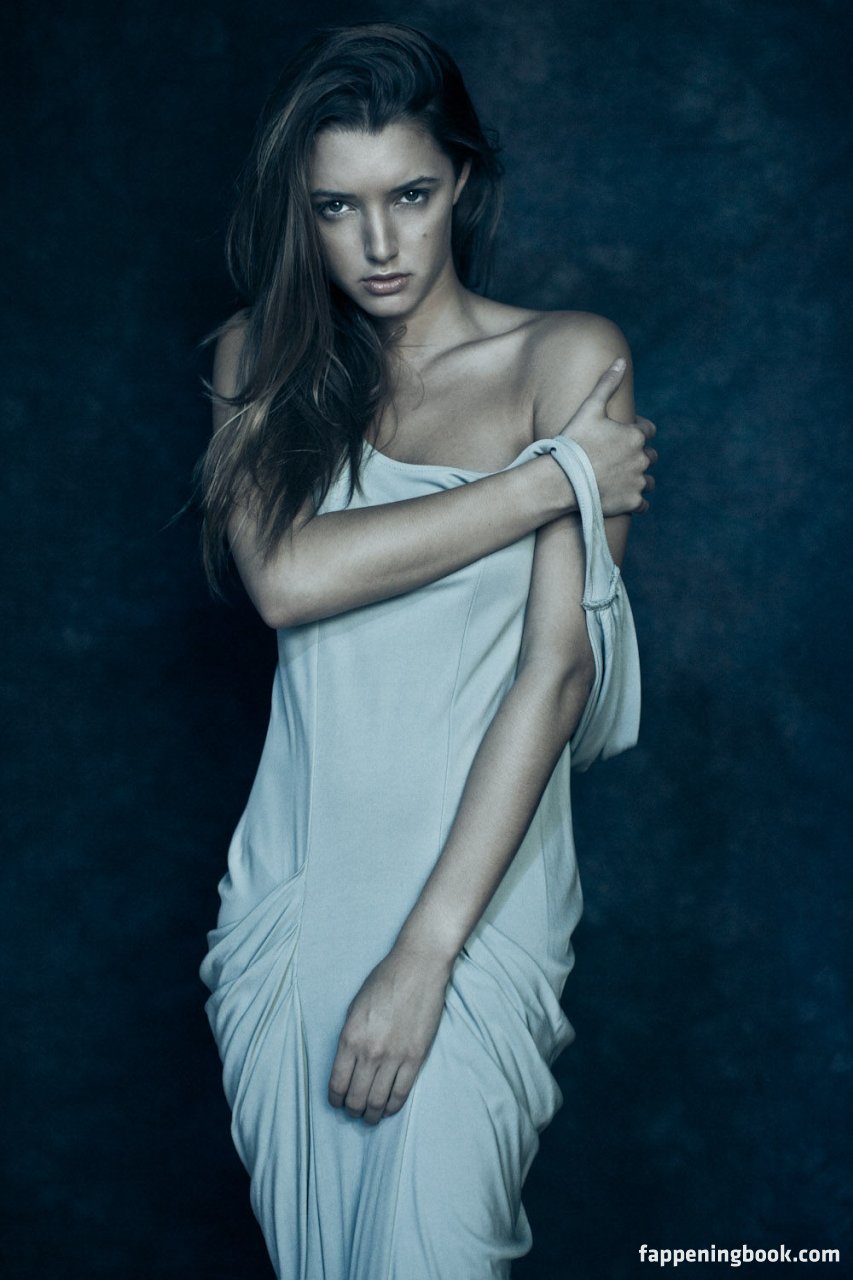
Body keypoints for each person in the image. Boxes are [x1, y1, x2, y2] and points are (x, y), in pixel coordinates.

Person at [197, 21, 657, 1280]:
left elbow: (556, 674)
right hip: (295, 898)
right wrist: (547, 482)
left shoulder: (566, 358)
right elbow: (287, 580)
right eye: (336, 208)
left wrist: (424, 950)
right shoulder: (259, 356)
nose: (379, 243)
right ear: (302, 214)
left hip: (474, 899)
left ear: (461, 177)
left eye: (408, 195)